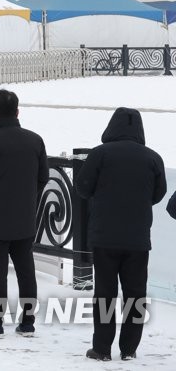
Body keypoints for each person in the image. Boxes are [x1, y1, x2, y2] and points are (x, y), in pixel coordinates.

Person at [76, 108, 167, 362]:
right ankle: (129, 349)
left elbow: (82, 187)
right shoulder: (153, 158)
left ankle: (102, 349)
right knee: (135, 293)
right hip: (138, 238)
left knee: (105, 292)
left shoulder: (100, 154)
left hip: (104, 236)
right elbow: (159, 193)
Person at [0, 89, 49, 339]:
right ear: (17, 111)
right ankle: (27, 321)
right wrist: (28, 198)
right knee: (26, 270)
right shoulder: (35, 141)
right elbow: (43, 178)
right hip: (24, 216)